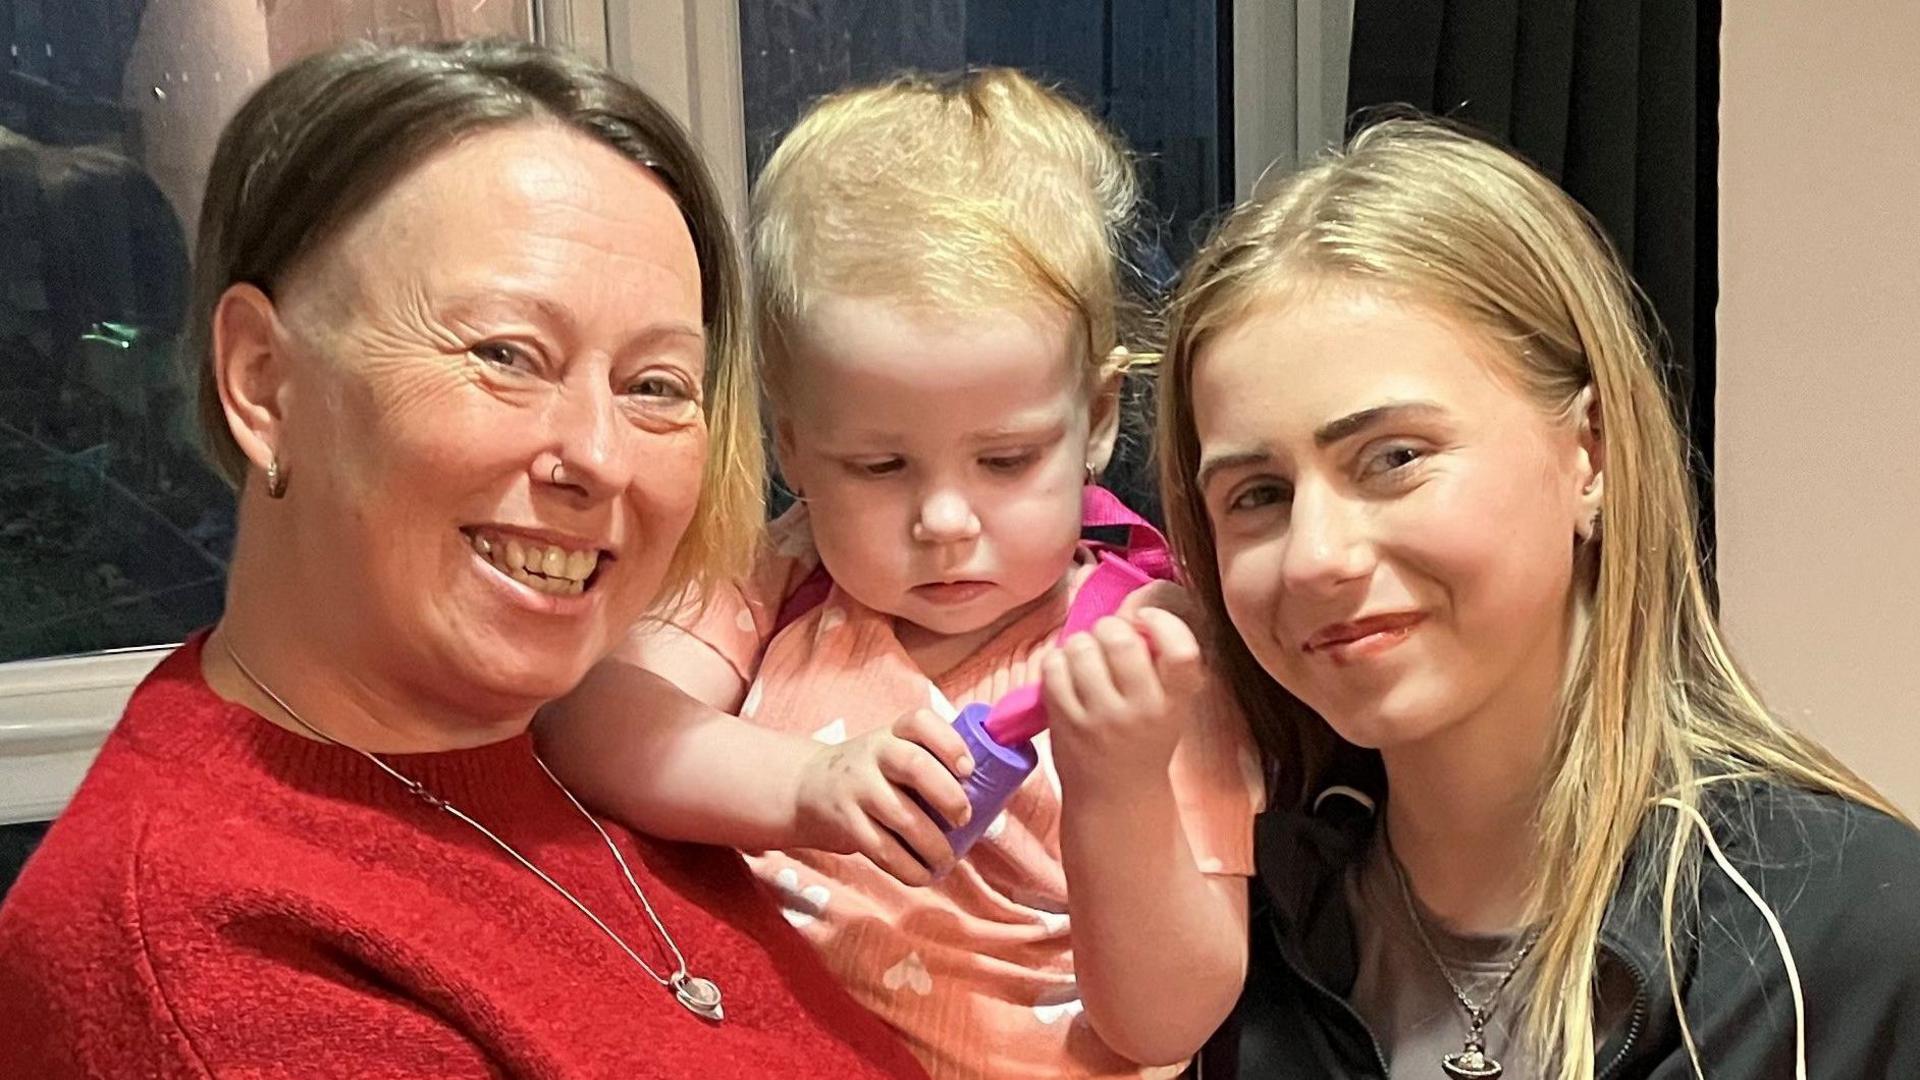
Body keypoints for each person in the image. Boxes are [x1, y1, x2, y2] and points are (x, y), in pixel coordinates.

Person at [0, 39, 930, 1080]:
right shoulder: (205, 959)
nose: (600, 456)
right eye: (504, 355)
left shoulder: (588, 751)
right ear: (264, 383)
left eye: (658, 384)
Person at [1154, 116, 1920, 1079]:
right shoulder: (1217, 953)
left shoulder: (1855, 944)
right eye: (1258, 496)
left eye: (1393, 458)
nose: (1315, 558)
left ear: (1588, 455)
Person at [538, 69, 1262, 1079]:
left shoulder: (1144, 653)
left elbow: (1165, 1024)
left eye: (1005, 461)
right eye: (879, 466)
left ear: (1095, 421)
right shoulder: (785, 564)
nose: (945, 521)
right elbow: (590, 727)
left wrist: (1121, 788)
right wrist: (804, 784)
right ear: (795, 446)